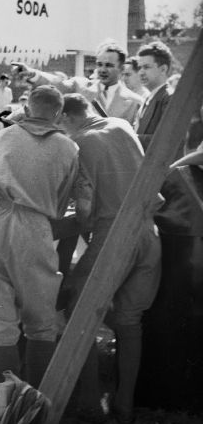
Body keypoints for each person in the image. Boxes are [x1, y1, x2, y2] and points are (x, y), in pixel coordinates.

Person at [0, 86, 79, 387]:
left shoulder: (4, 134)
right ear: (59, 115)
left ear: (26, 110)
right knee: (41, 324)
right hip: (31, 224)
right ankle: (35, 406)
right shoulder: (68, 147)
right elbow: (60, 207)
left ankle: (7, 407)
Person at [59, 94, 161, 424]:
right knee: (130, 322)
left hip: (114, 237)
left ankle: (91, 403)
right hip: (149, 233)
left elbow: (85, 207)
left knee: (78, 312)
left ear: (65, 118)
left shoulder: (80, 142)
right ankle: (125, 404)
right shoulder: (120, 125)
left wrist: (85, 222)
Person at [16, 41, 143, 125]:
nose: (103, 69)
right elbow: (57, 84)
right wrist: (33, 75)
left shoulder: (135, 102)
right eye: (99, 64)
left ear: (121, 68)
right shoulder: (80, 86)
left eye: (109, 65)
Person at [134, 40, 173, 151]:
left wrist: (130, 139)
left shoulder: (169, 98)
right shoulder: (148, 98)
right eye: (139, 67)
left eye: (146, 67)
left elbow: (167, 140)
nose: (141, 72)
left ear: (163, 69)